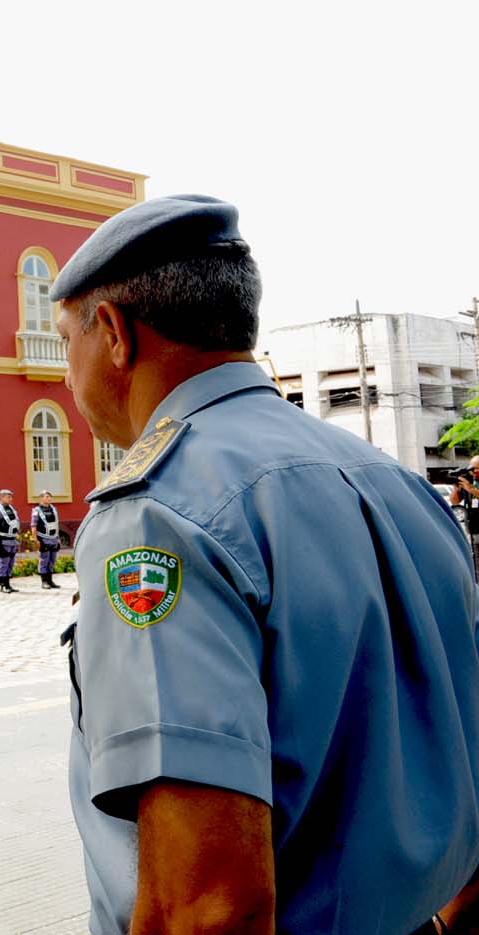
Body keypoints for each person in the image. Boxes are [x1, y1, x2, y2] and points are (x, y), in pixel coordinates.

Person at [55, 194, 479, 935]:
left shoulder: (158, 515)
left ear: (115, 335)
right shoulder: (402, 486)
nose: (66, 375)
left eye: (66, 342)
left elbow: (209, 907)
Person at [451, 455, 479, 580]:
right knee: (477, 562)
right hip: (474, 528)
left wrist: (472, 490)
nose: (474, 471)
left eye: (477, 468)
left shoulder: (471, 486)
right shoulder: (470, 482)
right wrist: (456, 489)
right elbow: (455, 501)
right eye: (472, 469)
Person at [0, 488, 21, 593]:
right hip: (2, 540)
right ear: (1, 498)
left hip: (12, 540)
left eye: (11, 497)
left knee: (10, 563)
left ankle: (8, 584)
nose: (11, 499)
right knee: (2, 563)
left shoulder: (11, 509)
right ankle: (3, 585)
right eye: (8, 497)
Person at [31, 490, 62, 590]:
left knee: (52, 560)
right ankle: (44, 581)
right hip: (43, 538)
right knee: (44, 560)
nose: (49, 498)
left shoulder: (53, 509)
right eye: (47, 496)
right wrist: (35, 540)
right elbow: (33, 526)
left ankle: (50, 581)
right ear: (41, 498)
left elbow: (56, 524)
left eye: (50, 496)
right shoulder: (37, 510)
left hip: (53, 538)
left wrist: (58, 537)